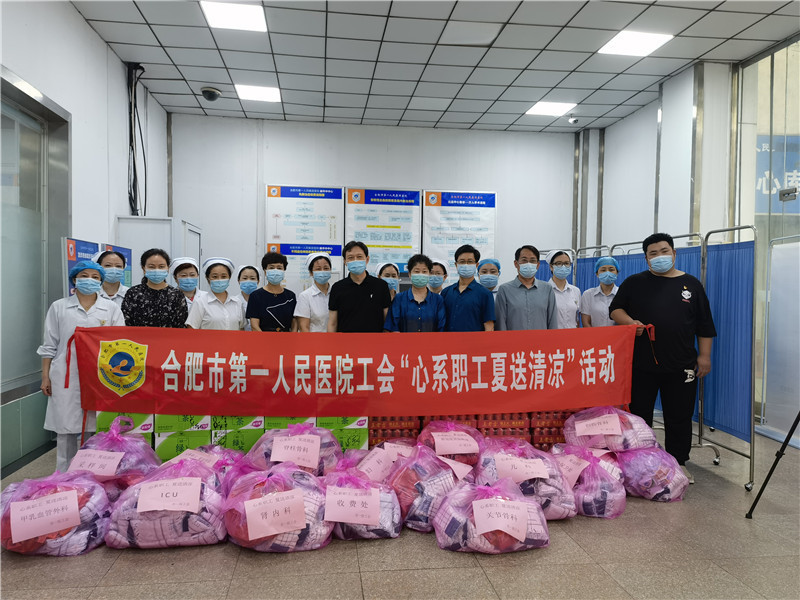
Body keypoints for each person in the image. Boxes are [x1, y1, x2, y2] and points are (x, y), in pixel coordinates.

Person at [610, 232, 717, 483]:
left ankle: (679, 462)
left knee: (679, 416)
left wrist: (704, 356)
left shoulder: (691, 285)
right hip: (641, 364)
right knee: (639, 416)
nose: (659, 256)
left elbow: (704, 324)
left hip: (681, 364)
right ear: (646, 258)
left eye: (664, 251)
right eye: (653, 253)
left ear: (674, 253)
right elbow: (615, 309)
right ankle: (638, 462)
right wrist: (630, 322)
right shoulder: (635, 283)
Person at [38, 260, 125, 472]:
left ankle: (93, 472)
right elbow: (49, 345)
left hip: (101, 375)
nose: (89, 280)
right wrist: (45, 376)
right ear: (74, 279)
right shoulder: (59, 307)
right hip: (65, 375)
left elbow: (120, 342)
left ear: (101, 282)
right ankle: (63, 474)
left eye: (95, 277)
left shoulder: (111, 308)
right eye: (84, 276)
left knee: (97, 427)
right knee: (65, 427)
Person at [328, 241, 391, 332]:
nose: (355, 260)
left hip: (374, 340)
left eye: (359, 257)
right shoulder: (337, 288)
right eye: (350, 258)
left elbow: (387, 321)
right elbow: (332, 323)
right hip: (345, 340)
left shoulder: (381, 286)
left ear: (367, 259)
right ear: (345, 262)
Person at [496, 245, 558, 330]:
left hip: (541, 338)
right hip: (514, 338)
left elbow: (552, 322)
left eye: (532, 261)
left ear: (538, 265)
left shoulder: (547, 289)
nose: (528, 264)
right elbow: (501, 323)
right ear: (516, 264)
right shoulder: (504, 290)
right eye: (524, 260)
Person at [121, 249, 188, 328]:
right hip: (137, 336)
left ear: (168, 268)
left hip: (169, 336)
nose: (157, 270)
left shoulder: (176, 295)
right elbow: (126, 323)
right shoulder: (133, 293)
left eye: (161, 267)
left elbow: (181, 326)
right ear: (143, 269)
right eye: (151, 267)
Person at [384, 254, 446, 332]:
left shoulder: (438, 300)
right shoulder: (399, 299)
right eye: (417, 271)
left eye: (424, 271)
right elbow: (393, 327)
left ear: (429, 274)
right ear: (409, 274)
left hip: (432, 340)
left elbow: (441, 328)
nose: (420, 274)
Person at [441, 244, 495, 332]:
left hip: (474, 340)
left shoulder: (485, 294)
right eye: (462, 262)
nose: (466, 265)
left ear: (476, 265)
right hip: (449, 340)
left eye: (470, 261)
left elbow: (489, 326)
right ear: (456, 265)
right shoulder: (446, 292)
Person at [186, 257, 244, 330]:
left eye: (223, 276)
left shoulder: (237, 303)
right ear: (208, 278)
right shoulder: (200, 302)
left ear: (229, 278)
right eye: (215, 276)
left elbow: (242, 328)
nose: (219, 280)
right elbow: (191, 329)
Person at [246, 251, 297, 332]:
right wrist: (264, 339)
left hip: (287, 338)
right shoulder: (256, 296)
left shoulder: (291, 296)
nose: (275, 271)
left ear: (284, 271)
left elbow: (294, 323)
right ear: (265, 271)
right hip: (263, 338)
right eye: (271, 268)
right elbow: (254, 326)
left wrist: (292, 337)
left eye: (279, 268)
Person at [294, 252, 333, 332]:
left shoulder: (336, 293)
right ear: (311, 272)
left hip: (335, 339)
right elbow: (304, 328)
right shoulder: (305, 296)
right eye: (318, 269)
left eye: (326, 268)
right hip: (314, 339)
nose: (322, 271)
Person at [580, 256, 620, 328]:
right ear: (597, 274)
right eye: (603, 270)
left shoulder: (622, 293)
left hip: (618, 335)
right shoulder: (588, 295)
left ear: (617, 272)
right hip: (594, 334)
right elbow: (586, 323)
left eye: (611, 270)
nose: (607, 273)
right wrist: (595, 335)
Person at [546, 250, 580, 329]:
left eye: (566, 263)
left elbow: (576, 318)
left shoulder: (575, 291)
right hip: (552, 334)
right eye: (559, 263)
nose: (563, 267)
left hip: (572, 334)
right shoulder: (545, 290)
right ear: (551, 267)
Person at [235, 264, 260, 331]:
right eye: (245, 278)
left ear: (258, 281)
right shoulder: (234, 302)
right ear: (238, 281)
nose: (248, 281)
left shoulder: (263, 300)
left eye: (252, 278)